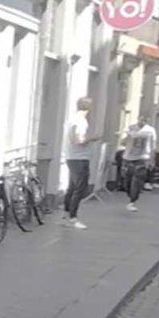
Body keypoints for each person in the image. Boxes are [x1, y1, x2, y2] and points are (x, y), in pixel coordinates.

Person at [62, 97, 99, 229]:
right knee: (80, 189)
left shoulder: (71, 119)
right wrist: (92, 138)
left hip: (71, 157)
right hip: (80, 158)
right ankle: (73, 218)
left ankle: (66, 215)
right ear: (89, 108)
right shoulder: (81, 122)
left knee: (72, 187)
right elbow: (79, 140)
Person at [121, 116, 157, 212]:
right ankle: (130, 194)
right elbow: (122, 142)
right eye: (141, 119)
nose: (143, 122)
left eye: (145, 120)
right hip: (128, 157)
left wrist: (152, 160)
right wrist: (128, 136)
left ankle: (132, 201)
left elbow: (153, 146)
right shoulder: (131, 128)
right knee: (127, 180)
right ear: (138, 119)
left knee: (137, 180)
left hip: (143, 158)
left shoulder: (150, 130)